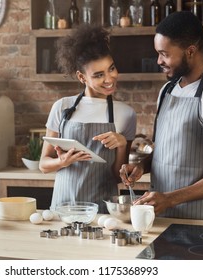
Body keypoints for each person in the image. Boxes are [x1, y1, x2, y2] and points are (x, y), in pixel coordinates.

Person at [120, 11, 203, 220]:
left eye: (165, 54)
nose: (159, 60)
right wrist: (142, 165)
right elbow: (168, 150)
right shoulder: (168, 90)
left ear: (190, 51)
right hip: (163, 218)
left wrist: (170, 198)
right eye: (158, 53)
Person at [39, 24, 137, 213]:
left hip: (101, 210)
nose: (109, 79)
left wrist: (123, 144)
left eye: (112, 68)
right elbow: (44, 164)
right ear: (82, 77)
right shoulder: (62, 107)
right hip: (63, 208)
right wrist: (62, 162)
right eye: (99, 75)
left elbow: (118, 177)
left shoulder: (126, 114)